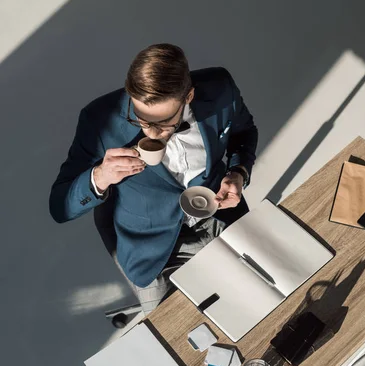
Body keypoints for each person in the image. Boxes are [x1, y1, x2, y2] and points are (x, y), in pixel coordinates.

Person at [49, 44, 258, 314]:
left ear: (189, 96)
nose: (150, 132)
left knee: (262, 299)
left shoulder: (220, 88)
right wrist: (99, 176)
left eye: (162, 123)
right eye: (140, 120)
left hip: (221, 216)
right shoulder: (99, 120)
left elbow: (244, 132)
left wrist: (238, 172)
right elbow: (59, 207)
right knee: (178, 336)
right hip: (152, 251)